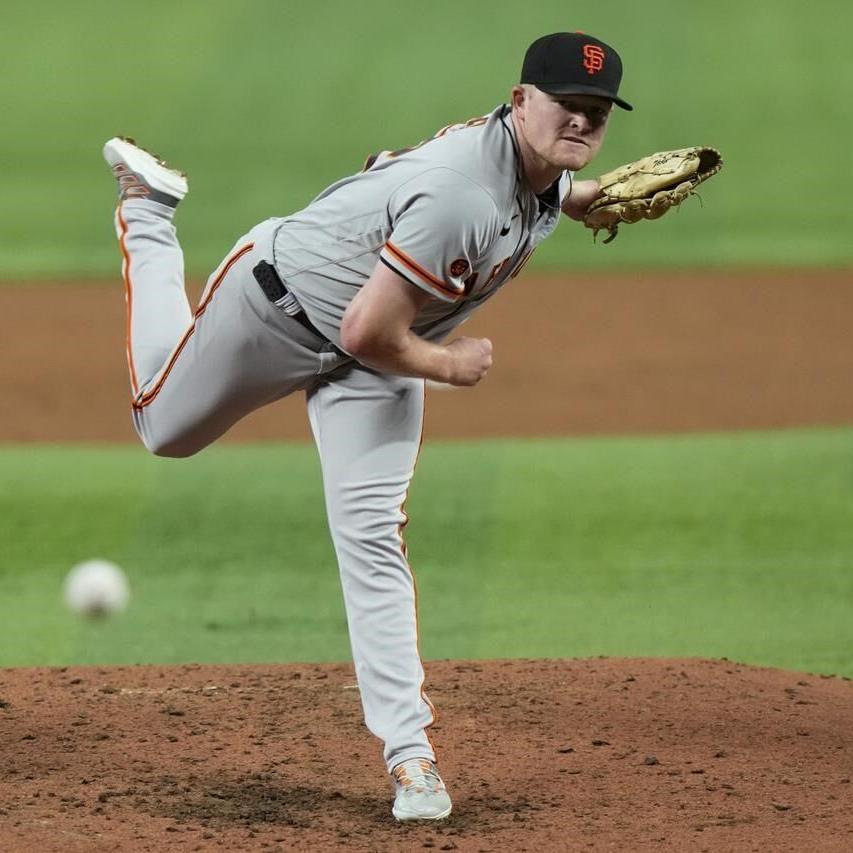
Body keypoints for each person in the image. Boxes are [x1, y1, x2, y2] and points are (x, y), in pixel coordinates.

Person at [102, 31, 631, 822]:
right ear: (520, 100)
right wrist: (447, 366)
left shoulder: (532, 164)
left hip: (374, 345)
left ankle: (411, 758)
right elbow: (366, 331)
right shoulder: (464, 195)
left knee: (373, 534)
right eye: (567, 106)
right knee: (162, 429)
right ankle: (148, 212)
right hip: (275, 309)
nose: (583, 125)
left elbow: (525, 208)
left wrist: (591, 200)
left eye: (597, 113)